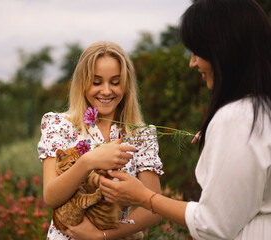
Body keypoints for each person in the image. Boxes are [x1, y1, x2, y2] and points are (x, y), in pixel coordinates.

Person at [95, 0, 271, 239]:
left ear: (224, 49)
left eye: (198, 51)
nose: (192, 62)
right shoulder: (261, 109)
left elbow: (214, 225)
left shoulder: (239, 117)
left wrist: (143, 197)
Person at [37, 41, 164, 240]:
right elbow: (51, 197)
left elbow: (154, 206)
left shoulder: (141, 135)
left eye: (115, 82)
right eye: (96, 82)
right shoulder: (60, 125)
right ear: (82, 83)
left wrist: (103, 235)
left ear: (126, 85)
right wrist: (88, 162)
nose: (106, 91)